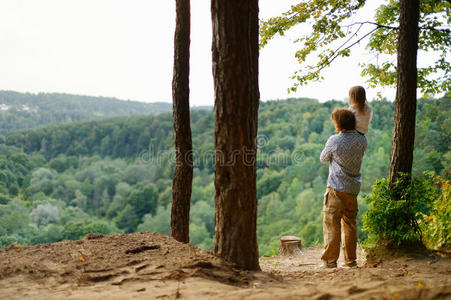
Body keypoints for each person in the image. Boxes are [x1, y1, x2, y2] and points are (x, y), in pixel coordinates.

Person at [319, 108, 367, 268]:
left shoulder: (334, 140)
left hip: (335, 187)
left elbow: (323, 159)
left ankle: (330, 261)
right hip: (353, 188)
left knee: (332, 223)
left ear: (338, 123)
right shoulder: (362, 140)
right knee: (350, 224)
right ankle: (350, 261)